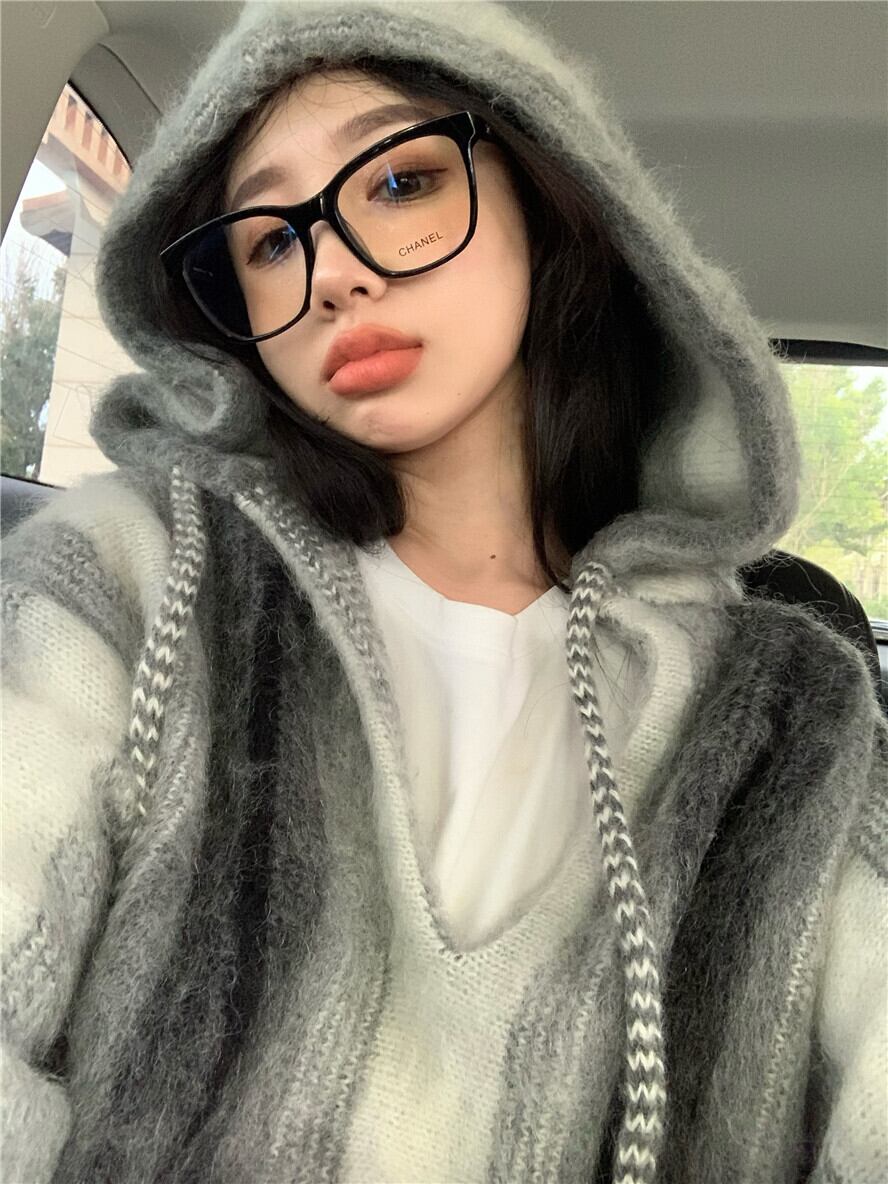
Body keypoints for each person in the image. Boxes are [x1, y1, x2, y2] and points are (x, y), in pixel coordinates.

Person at [1, 1, 885, 1181]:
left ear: (548, 204)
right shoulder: (129, 569)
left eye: (401, 182)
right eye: (269, 242)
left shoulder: (792, 714)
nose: (332, 273)